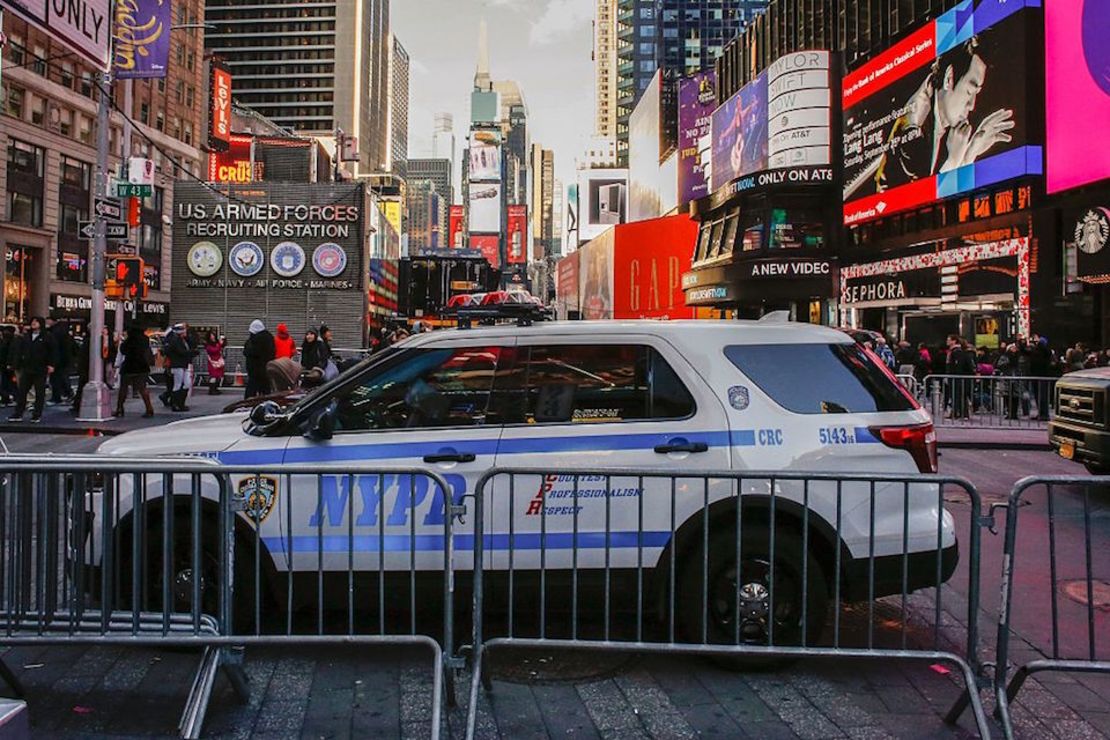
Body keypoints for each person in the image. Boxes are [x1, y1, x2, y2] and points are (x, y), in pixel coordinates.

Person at [9, 317, 56, 423]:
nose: (33, 323)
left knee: (39, 392)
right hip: (27, 367)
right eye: (32, 321)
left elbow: (53, 351)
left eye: (36, 322)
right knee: (22, 391)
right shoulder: (27, 336)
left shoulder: (47, 337)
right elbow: (21, 350)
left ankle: (36, 415)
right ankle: (18, 413)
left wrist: (51, 364)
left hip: (40, 367)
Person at [115, 326, 155, 418]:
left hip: (129, 366)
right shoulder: (145, 340)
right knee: (143, 388)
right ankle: (149, 408)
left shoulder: (129, 341)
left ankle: (120, 408)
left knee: (123, 388)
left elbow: (123, 351)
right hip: (142, 366)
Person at [162, 323, 195, 412]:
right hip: (177, 364)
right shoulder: (175, 340)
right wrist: (192, 353)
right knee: (177, 384)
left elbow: (190, 345)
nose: (185, 332)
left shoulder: (183, 340)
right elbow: (181, 351)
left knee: (187, 383)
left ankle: (181, 403)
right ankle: (176, 404)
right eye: (183, 330)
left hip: (184, 364)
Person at [243, 320, 275, 398]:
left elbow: (249, 351)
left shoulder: (254, 340)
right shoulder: (269, 338)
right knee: (265, 389)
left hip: (255, 369)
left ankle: (248, 403)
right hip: (266, 368)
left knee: (251, 389)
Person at [945, 334, 975, 419]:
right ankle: (961, 413)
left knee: (957, 394)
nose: (947, 341)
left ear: (954, 341)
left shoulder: (956, 352)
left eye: (949, 339)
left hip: (957, 376)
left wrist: (952, 374)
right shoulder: (954, 351)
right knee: (959, 395)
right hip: (957, 376)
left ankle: (958, 413)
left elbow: (956, 365)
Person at [47, 318, 73, 404]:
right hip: (64, 359)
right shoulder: (64, 332)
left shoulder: (55, 333)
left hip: (59, 359)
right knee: (62, 378)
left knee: (57, 379)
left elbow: (54, 347)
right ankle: (67, 394)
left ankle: (59, 396)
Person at [0, 326, 15, 406]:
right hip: (5, 364)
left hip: (6, 365)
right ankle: (6, 399)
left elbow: (9, 354)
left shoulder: (7, 342)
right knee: (6, 383)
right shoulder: (5, 341)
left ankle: (7, 398)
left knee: (7, 383)